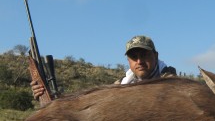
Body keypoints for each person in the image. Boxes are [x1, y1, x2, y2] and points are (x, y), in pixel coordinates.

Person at [31, 35, 176, 100]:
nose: (139, 61)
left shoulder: (171, 81)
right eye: (133, 57)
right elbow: (95, 98)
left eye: (144, 55)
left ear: (155, 56)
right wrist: (50, 95)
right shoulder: (122, 84)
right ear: (128, 61)